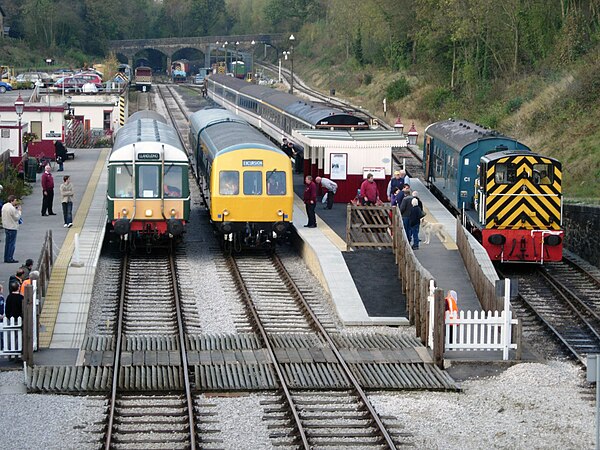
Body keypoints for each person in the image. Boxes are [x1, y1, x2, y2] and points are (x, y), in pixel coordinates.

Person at [2, 195, 22, 263]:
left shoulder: (4, 206)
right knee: (12, 244)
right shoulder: (12, 208)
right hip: (12, 227)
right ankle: (10, 258)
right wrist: (19, 211)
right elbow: (17, 217)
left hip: (6, 226)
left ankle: (6, 257)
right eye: (15, 201)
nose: (15, 202)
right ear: (12, 200)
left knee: (7, 243)